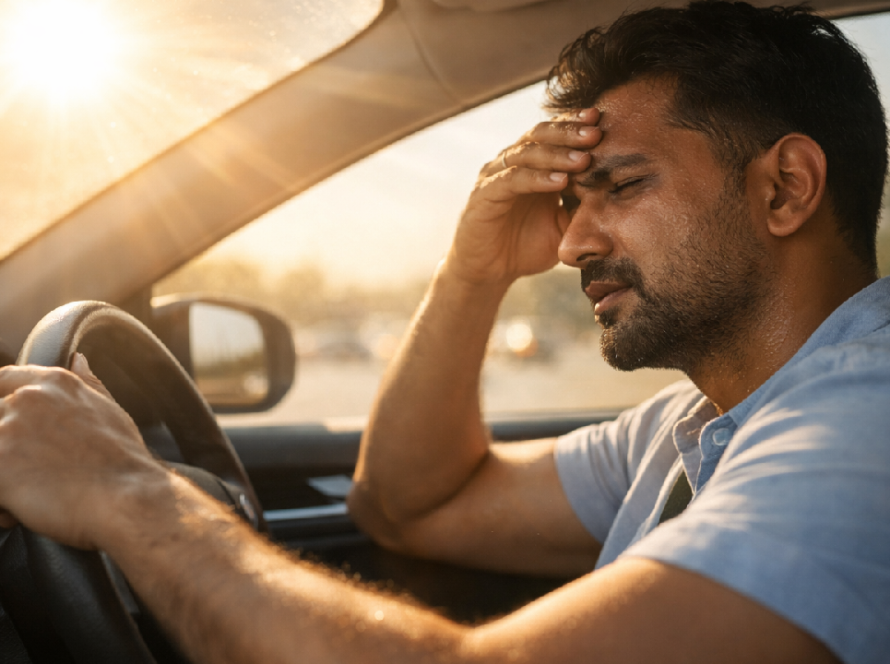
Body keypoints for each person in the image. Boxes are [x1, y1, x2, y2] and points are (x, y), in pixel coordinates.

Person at [0, 1, 888, 662]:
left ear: (784, 188)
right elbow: (405, 506)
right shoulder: (687, 426)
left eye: (620, 186)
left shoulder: (862, 425)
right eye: (570, 203)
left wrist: (133, 496)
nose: (574, 240)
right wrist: (474, 270)